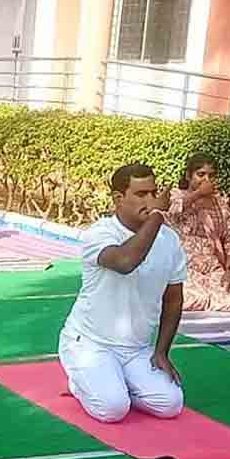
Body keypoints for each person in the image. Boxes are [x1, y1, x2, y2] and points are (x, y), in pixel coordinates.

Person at [59, 163, 187, 425]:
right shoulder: (100, 233)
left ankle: (113, 380)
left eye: (153, 193)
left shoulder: (169, 240)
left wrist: (162, 351)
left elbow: (173, 299)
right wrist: (158, 216)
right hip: (90, 343)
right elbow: (126, 261)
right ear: (119, 199)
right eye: (141, 194)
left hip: (136, 348)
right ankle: (79, 381)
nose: (150, 200)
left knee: (171, 404)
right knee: (113, 409)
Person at [167, 154, 230, 312]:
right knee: (190, 298)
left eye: (211, 175)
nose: (206, 180)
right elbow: (171, 212)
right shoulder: (175, 196)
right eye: (201, 174)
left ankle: (208, 296)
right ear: (188, 176)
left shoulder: (219, 203)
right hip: (183, 267)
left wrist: (229, 271)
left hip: (212, 266)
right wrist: (198, 195)